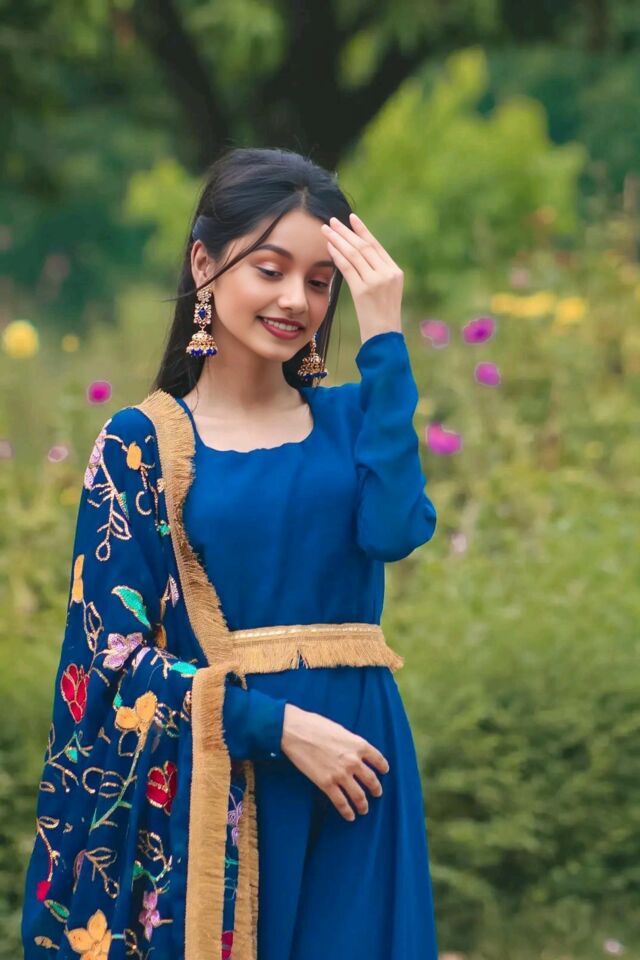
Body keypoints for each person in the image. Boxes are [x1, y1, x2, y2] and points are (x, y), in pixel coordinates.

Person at [21, 146, 439, 960]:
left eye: (321, 281)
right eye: (271, 270)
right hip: (232, 775)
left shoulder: (353, 421)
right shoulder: (142, 445)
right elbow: (110, 658)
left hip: (360, 773)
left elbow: (395, 531)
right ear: (204, 264)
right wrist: (274, 725)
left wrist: (385, 334)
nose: (296, 301)